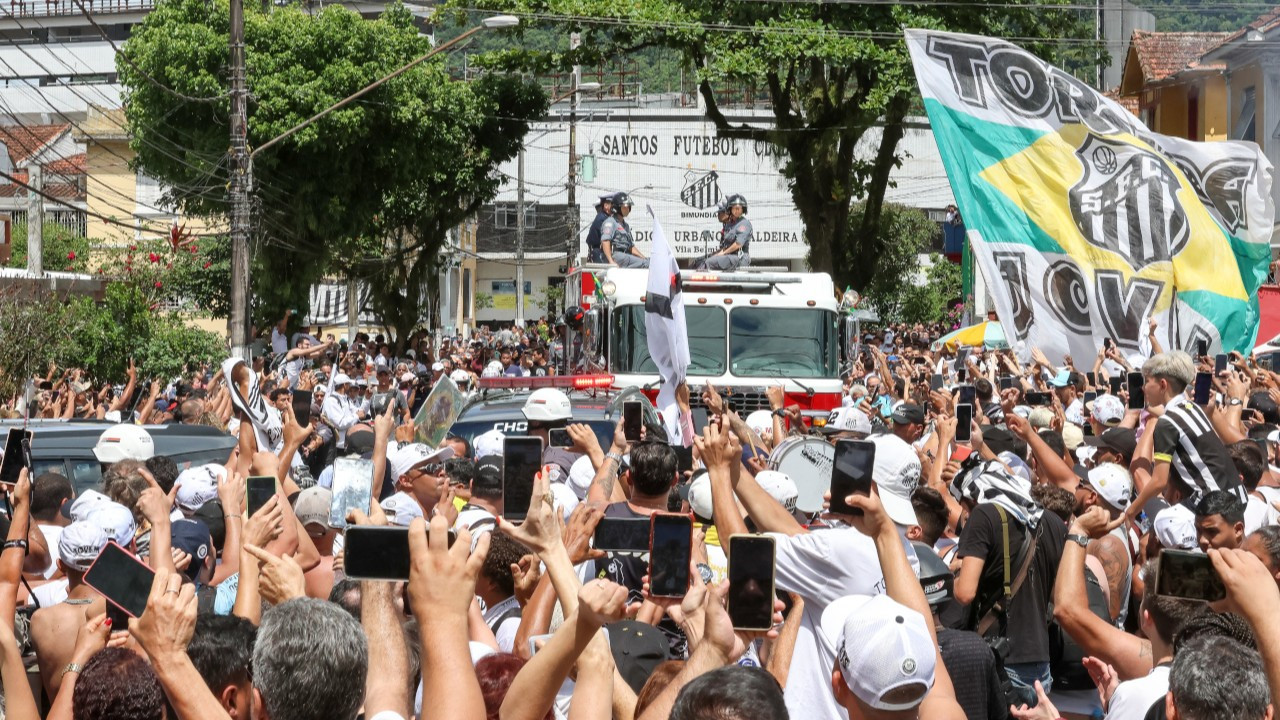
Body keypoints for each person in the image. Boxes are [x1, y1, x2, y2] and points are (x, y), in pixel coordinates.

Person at [950, 458, 1067, 707]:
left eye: (966, 506)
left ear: (976, 494)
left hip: (1000, 656)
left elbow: (965, 593)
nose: (966, 514)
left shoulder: (984, 515)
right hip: (1041, 661)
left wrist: (949, 577)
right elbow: (1058, 596)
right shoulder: (1053, 522)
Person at [1129, 351, 1244, 517]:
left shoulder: (1166, 423)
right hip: (1237, 497)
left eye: (1146, 382)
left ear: (1162, 385)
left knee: (1159, 525)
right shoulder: (1192, 408)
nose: (1143, 388)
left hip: (1215, 504)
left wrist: (1130, 512)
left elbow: (1159, 482)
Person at [695, 194, 751, 272]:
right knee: (705, 260)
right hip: (730, 256)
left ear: (743, 210)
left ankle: (699, 283)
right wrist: (718, 255)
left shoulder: (744, 223)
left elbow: (738, 244)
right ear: (730, 209)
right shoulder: (730, 225)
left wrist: (723, 253)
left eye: (739, 208)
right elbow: (726, 247)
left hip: (739, 258)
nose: (737, 210)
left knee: (709, 263)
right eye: (734, 208)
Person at [600, 192, 648, 268]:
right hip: (617, 256)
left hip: (625, 256)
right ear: (617, 208)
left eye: (629, 207)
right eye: (625, 207)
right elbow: (605, 241)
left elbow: (630, 246)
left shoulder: (625, 226)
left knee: (648, 262)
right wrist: (610, 261)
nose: (628, 209)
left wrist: (643, 257)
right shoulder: (610, 222)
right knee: (645, 265)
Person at [585, 193, 613, 263]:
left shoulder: (603, 217)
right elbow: (606, 238)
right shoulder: (603, 219)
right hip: (599, 251)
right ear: (605, 206)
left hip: (598, 250)